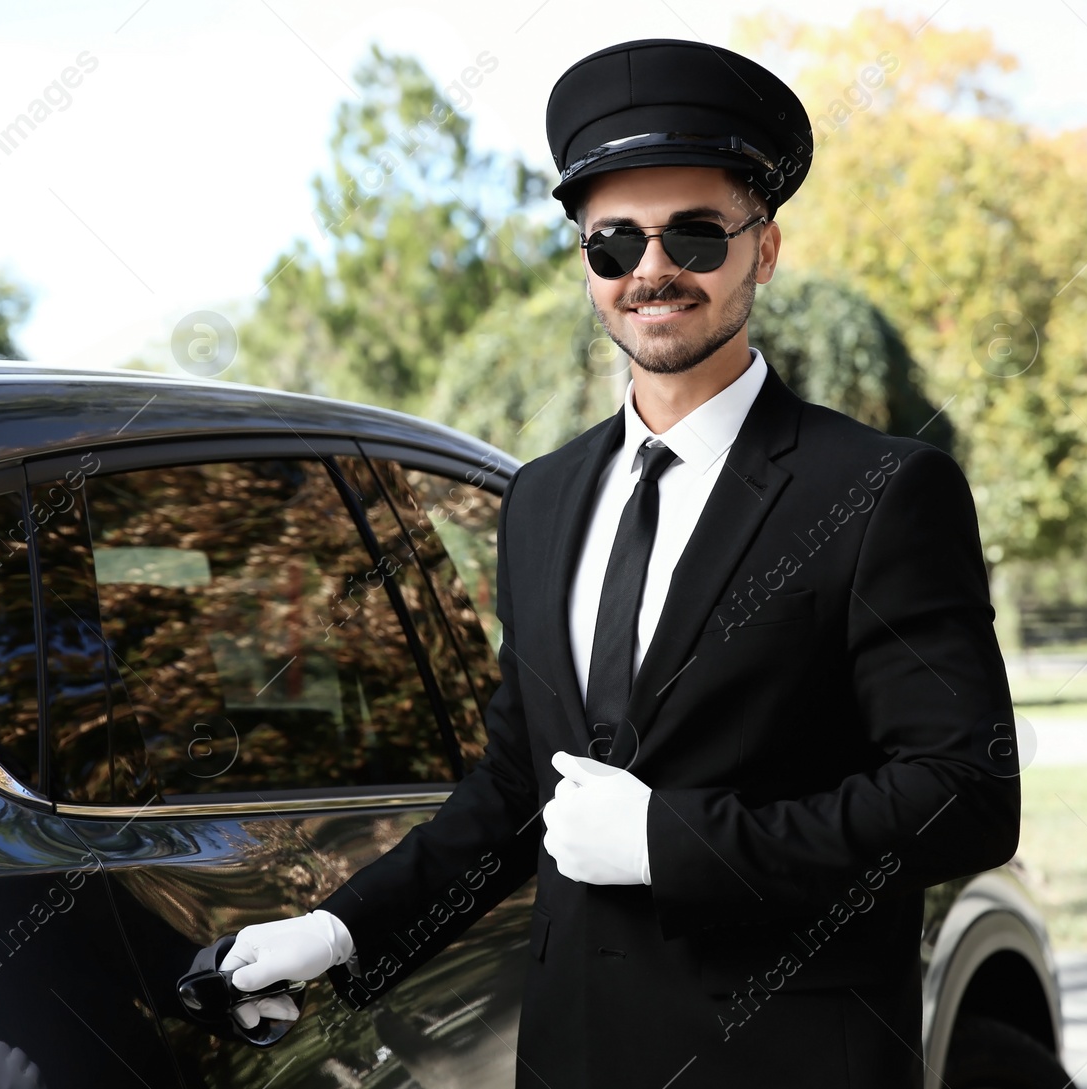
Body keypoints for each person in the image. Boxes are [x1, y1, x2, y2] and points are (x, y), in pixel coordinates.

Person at [217, 38, 1020, 1088]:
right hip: (573, 1052)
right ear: (584, 261)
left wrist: (671, 841)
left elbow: (963, 795)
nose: (652, 270)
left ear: (763, 251)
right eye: (614, 243)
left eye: (695, 235)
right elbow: (518, 784)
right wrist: (337, 930)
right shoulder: (542, 496)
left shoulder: (875, 491)